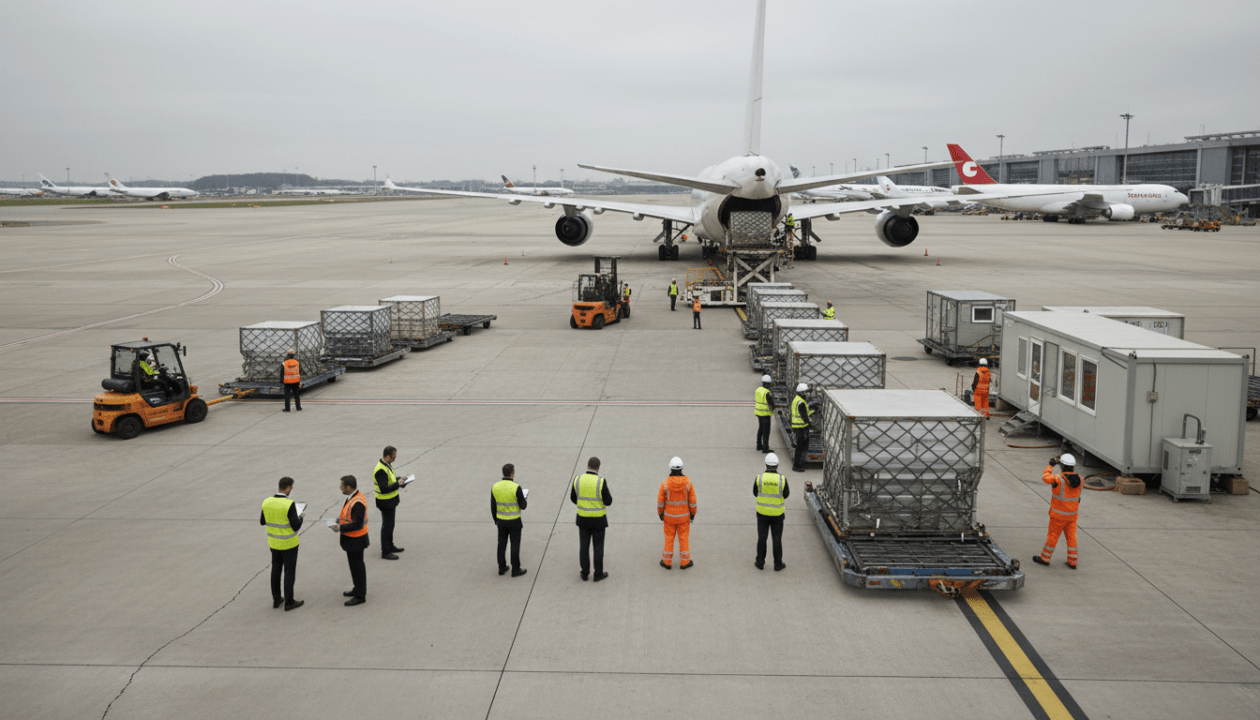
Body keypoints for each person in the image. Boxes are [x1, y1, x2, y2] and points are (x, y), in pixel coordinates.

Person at [260, 476, 304, 610]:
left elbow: (262, 521)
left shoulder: (266, 502)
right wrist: (300, 517)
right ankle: (289, 602)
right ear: (288, 487)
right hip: (289, 544)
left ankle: (277, 598)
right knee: (289, 572)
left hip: (274, 543)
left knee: (276, 570)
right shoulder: (289, 504)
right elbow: (295, 526)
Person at [1034, 454, 1082, 569]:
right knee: (1072, 537)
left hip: (1058, 515)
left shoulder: (1058, 479)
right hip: (1072, 515)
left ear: (1062, 465)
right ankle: (1072, 561)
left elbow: (1045, 477)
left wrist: (1051, 465)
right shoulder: (1080, 479)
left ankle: (1045, 558)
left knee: (1053, 536)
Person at [570, 456, 613, 581]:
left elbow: (573, 498)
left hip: (582, 519)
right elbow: (608, 501)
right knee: (598, 548)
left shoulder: (578, 479)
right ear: (598, 468)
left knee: (584, 547)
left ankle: (584, 573)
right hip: (598, 520)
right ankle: (598, 574)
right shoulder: (601, 482)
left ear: (588, 465)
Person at [331, 475, 369, 605]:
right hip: (352, 540)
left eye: (342, 485)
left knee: (357, 568)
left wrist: (340, 528)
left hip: (356, 540)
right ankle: (357, 588)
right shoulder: (352, 498)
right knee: (354, 567)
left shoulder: (357, 502)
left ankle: (360, 595)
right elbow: (349, 516)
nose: (340, 487)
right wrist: (338, 521)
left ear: (348, 487)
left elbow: (357, 524)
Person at [657, 457, 697, 570]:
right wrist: (692, 514)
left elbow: (660, 502)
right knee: (684, 538)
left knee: (669, 538)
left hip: (669, 517)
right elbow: (693, 501)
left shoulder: (665, 483)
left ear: (670, 468)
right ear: (682, 468)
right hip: (684, 518)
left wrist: (661, 514)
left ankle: (667, 562)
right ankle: (684, 562)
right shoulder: (688, 483)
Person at [492, 463, 528, 577]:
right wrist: (524, 498)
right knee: (514, 545)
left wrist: (496, 520)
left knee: (501, 544)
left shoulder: (495, 486)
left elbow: (493, 506)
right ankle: (515, 569)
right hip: (514, 521)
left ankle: (502, 567)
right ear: (512, 473)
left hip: (501, 521)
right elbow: (523, 506)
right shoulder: (516, 487)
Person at [754, 454, 788, 571]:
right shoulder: (782, 479)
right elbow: (786, 494)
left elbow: (755, 492)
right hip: (777, 515)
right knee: (777, 539)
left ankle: (760, 562)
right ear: (777, 465)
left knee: (762, 538)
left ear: (766, 464)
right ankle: (778, 564)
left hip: (762, 514)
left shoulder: (759, 478)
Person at [373, 446, 404, 560]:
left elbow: (389, 480)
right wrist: (398, 484)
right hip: (385, 502)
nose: (395, 457)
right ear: (388, 455)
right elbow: (384, 488)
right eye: (394, 455)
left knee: (391, 525)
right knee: (387, 526)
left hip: (391, 501)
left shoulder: (387, 465)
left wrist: (398, 480)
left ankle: (390, 546)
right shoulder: (380, 469)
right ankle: (385, 551)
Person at [790, 383, 813, 472]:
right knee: (800, 446)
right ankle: (796, 465)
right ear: (802, 392)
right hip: (801, 426)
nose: (807, 394)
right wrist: (809, 423)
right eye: (806, 392)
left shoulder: (796, 399)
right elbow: (803, 415)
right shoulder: (801, 403)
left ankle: (800, 462)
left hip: (797, 425)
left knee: (800, 446)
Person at [755, 374, 776, 452]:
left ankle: (759, 445)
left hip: (758, 412)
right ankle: (765, 447)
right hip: (765, 414)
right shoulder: (767, 392)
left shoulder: (758, 390)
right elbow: (771, 403)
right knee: (766, 431)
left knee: (760, 428)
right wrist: (774, 408)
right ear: (768, 384)